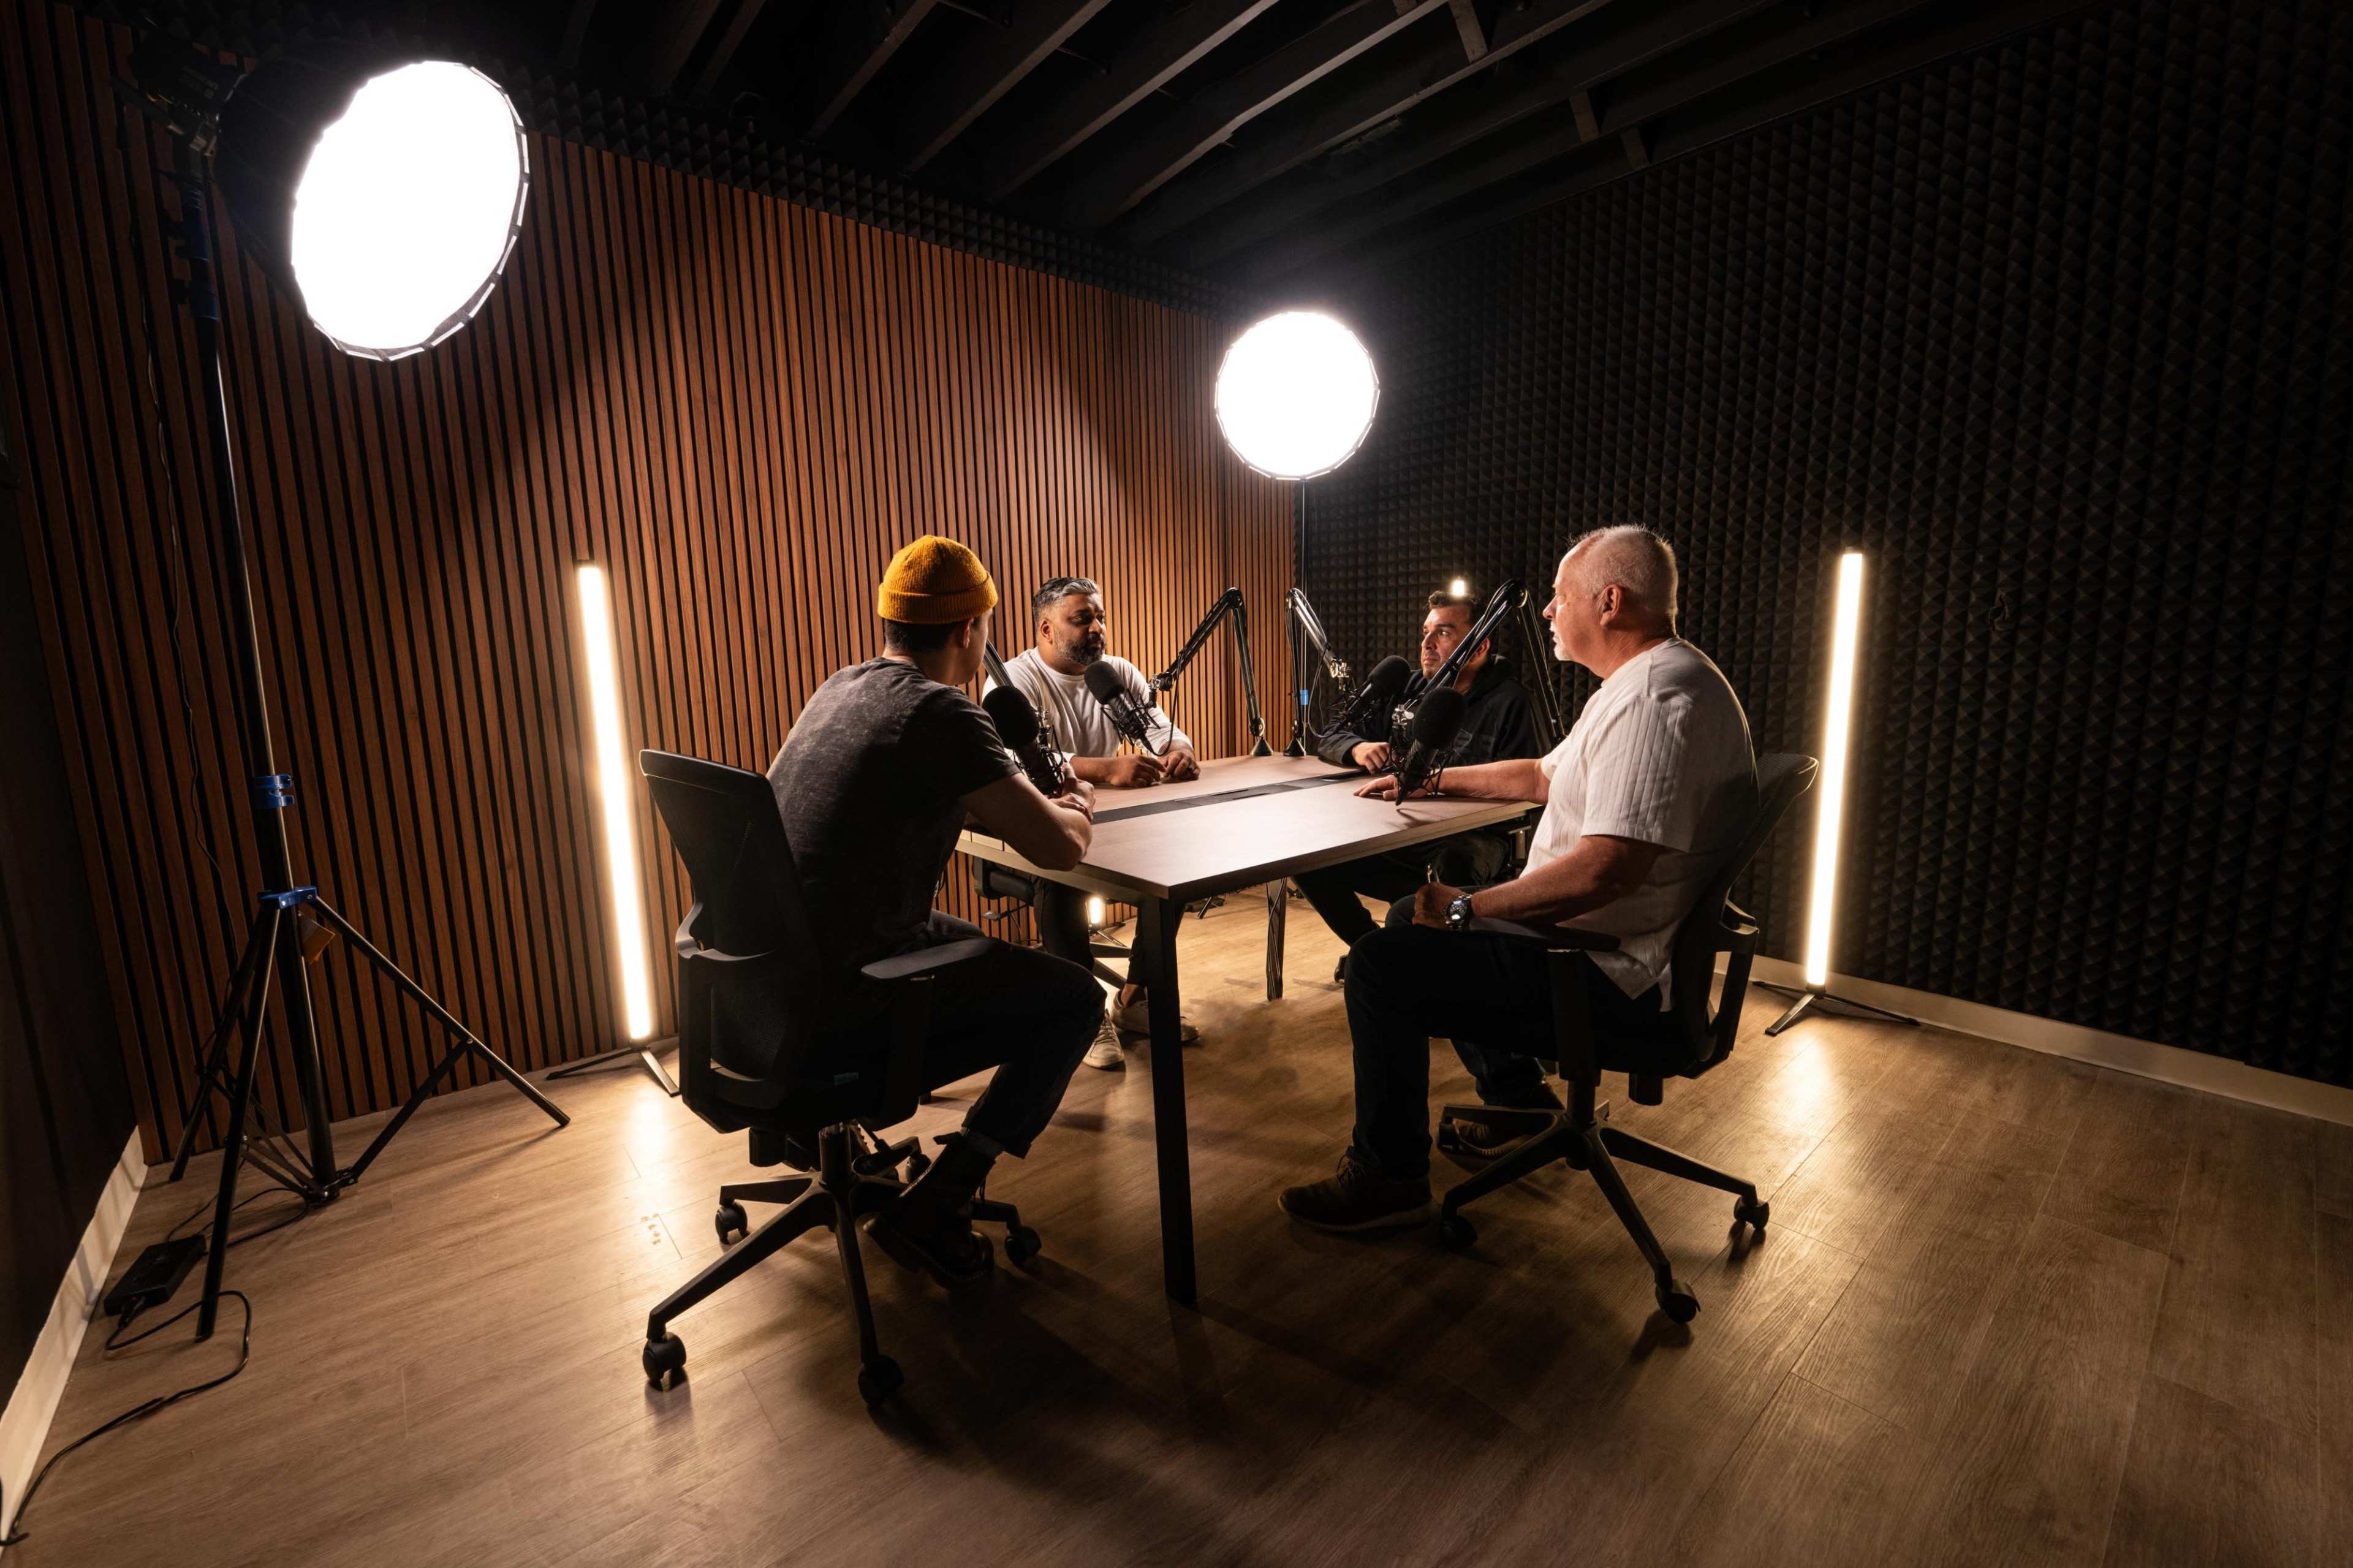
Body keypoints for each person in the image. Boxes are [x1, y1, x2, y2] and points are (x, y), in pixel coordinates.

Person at [1278, 526, 1757, 1233]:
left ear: (1610, 601)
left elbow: (1605, 871)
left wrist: (1471, 907)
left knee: (1382, 965)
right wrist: (1428, 778)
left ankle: (1389, 1175)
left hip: (1597, 968)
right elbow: (1540, 774)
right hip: (1602, 947)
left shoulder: (1653, 702)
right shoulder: (1646, 682)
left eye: (1560, 598)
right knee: (1414, 909)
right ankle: (1519, 1101)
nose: (1547, 612)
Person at [768, 536, 1104, 1288]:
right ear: (968, 631)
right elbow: (1059, 851)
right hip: (846, 997)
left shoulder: (842, 686)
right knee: (1075, 1000)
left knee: (971, 944)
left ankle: (819, 1130)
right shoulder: (942, 712)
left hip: (769, 986)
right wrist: (1076, 808)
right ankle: (938, 1203)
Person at [984, 574, 1203, 1070]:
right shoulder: (1013, 680)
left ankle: (1132, 1001)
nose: (1097, 628)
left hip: (1116, 823)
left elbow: (1163, 732)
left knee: (1182, 867)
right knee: (1063, 881)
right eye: (1082, 619)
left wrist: (1180, 753)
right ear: (1046, 628)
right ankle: (1084, 1011)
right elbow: (1013, 762)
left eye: (1099, 616)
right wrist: (1105, 768)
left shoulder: (1116, 672)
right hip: (1043, 822)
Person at [1295, 589, 1541, 978]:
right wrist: (1358, 748)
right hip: (1402, 831)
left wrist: (1441, 784)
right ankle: (1372, 951)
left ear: (1479, 647)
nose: (1426, 644)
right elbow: (1330, 735)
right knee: (1306, 853)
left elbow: (1526, 782)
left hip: (1472, 838)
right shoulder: (1407, 689)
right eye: (1426, 631)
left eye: (1443, 633)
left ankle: (1439, 976)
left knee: (1453, 862)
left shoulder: (1510, 701)